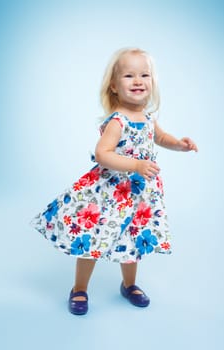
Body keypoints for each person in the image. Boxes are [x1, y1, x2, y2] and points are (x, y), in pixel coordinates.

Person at [31, 47, 198, 316]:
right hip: (110, 194)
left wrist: (179, 145)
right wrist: (135, 164)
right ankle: (79, 289)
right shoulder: (118, 121)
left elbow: (161, 137)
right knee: (92, 240)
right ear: (113, 86)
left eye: (144, 74)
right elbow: (102, 154)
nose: (138, 81)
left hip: (137, 195)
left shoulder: (148, 117)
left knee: (133, 239)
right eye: (129, 75)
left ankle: (129, 284)